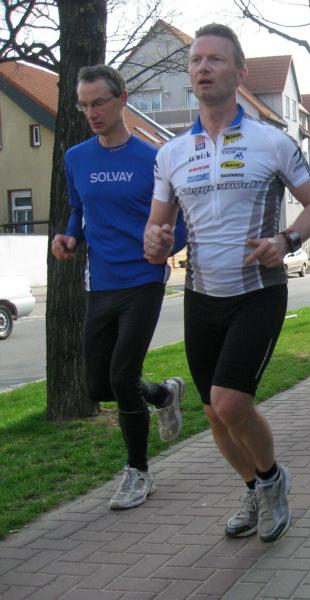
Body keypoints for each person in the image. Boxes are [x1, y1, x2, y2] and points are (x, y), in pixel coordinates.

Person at [143, 24, 310, 542]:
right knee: (213, 412)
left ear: (241, 72)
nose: (203, 68)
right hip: (201, 295)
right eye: (195, 60)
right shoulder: (170, 153)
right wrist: (156, 241)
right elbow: (157, 234)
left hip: (258, 290)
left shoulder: (272, 142)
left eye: (216, 59)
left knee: (230, 402)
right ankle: (253, 487)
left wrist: (288, 240)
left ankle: (272, 481)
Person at [51, 65, 186, 510]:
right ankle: (163, 394)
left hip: (144, 278)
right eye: (83, 105)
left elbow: (181, 223)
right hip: (101, 281)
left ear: (122, 99)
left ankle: (138, 472)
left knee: (123, 375)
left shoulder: (155, 159)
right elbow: (79, 209)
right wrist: (70, 237)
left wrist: (166, 247)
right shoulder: (76, 158)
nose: (91, 113)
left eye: (98, 103)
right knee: (99, 385)